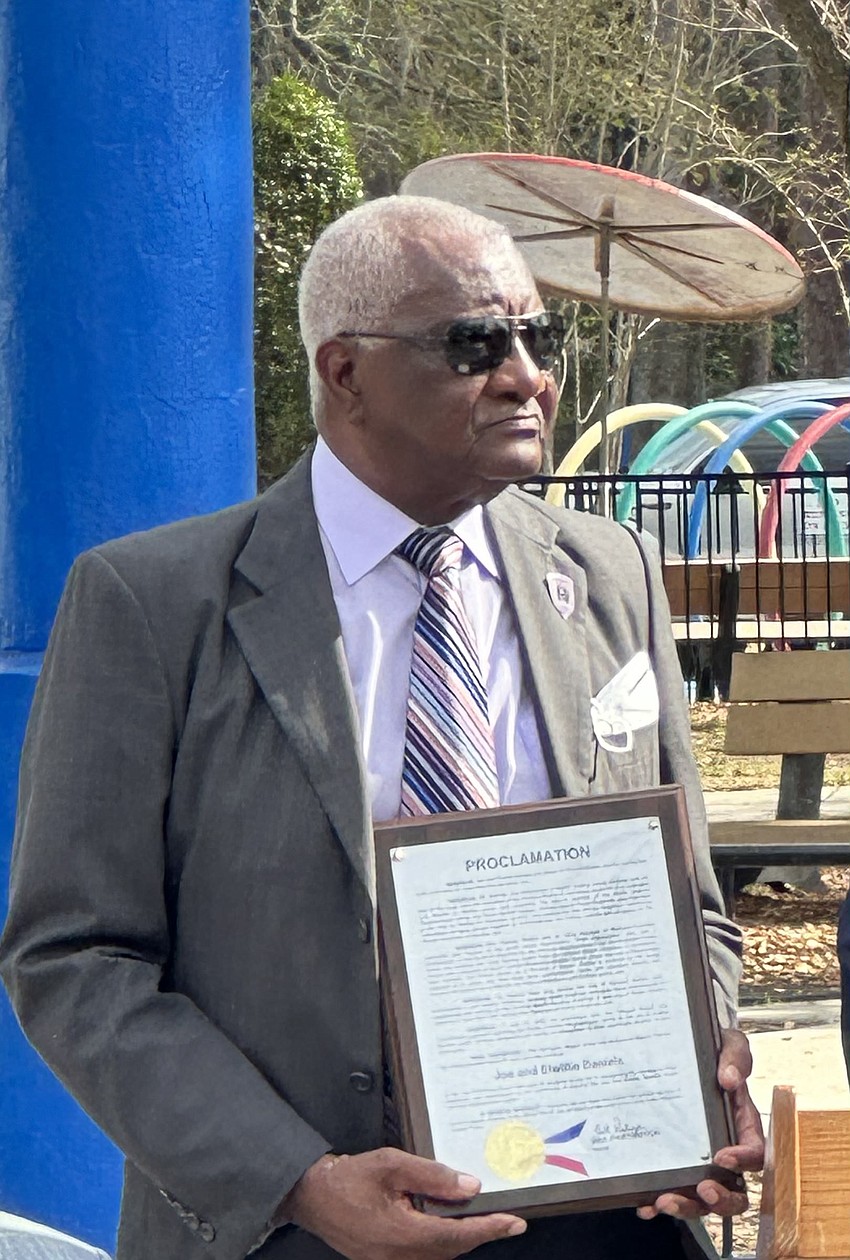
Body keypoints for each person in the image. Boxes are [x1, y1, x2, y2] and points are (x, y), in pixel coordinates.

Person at [0, 195, 762, 1260]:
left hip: (604, 1220)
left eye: (537, 338)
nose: (526, 377)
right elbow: (75, 956)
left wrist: (700, 1068)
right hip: (293, 1232)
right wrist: (299, 1182)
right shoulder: (154, 604)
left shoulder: (609, 571)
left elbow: (686, 904)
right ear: (346, 371)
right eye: (474, 344)